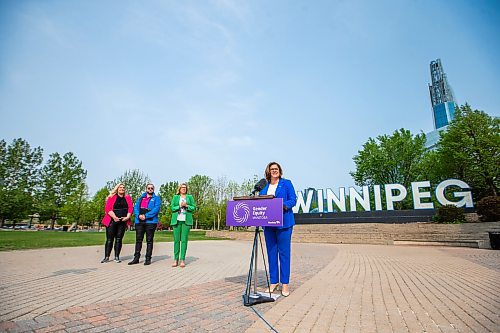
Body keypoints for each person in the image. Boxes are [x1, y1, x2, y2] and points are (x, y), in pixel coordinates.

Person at [259, 162, 297, 297]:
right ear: (268, 172)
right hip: (268, 225)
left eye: (276, 169)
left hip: (284, 223)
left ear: (280, 171)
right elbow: (260, 203)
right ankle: (274, 282)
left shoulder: (286, 183)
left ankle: (285, 284)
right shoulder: (264, 187)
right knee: (271, 253)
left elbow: (293, 199)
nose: (274, 171)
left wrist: (282, 205)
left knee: (284, 254)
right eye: (272, 169)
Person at [128, 183, 161, 266]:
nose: (150, 189)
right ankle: (136, 258)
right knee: (138, 240)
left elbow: (156, 209)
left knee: (149, 241)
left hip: (150, 222)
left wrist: (146, 216)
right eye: (148, 188)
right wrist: (138, 215)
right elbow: (135, 207)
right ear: (146, 189)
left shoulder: (156, 199)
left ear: (153, 190)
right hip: (139, 222)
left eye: (152, 188)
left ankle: (148, 258)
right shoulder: (141, 198)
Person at [100, 183, 133, 263]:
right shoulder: (112, 197)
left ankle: (116, 256)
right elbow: (108, 208)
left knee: (119, 239)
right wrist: (114, 217)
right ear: (117, 189)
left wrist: (127, 217)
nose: (122, 189)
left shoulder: (127, 198)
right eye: (120, 187)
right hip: (112, 221)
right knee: (109, 239)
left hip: (122, 221)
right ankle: (106, 257)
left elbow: (130, 208)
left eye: (123, 187)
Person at [170, 183, 196, 268]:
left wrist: (187, 206)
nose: (184, 189)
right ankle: (175, 259)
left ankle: (182, 259)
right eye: (182, 187)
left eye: (185, 188)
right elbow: (172, 207)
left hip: (186, 221)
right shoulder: (175, 197)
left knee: (184, 240)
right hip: (176, 221)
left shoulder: (190, 197)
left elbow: (194, 208)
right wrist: (179, 206)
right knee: (176, 241)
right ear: (179, 189)